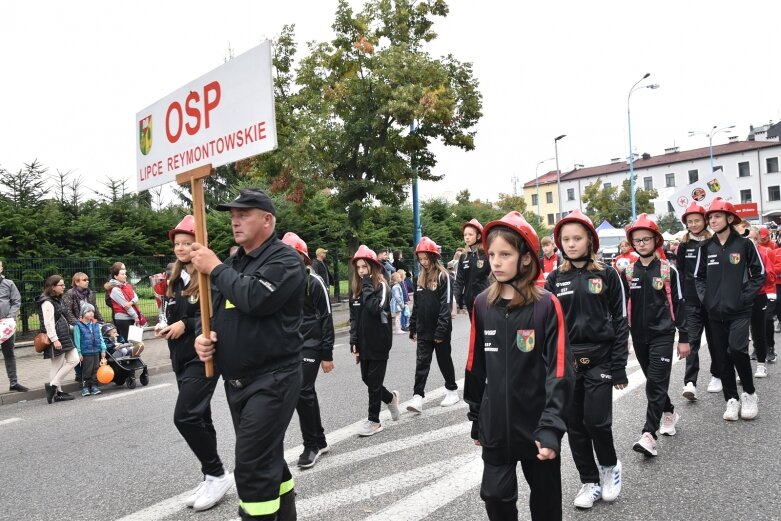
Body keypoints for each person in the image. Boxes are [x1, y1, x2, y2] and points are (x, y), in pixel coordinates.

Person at [191, 188, 306, 520]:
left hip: (273, 378)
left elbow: (255, 297)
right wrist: (206, 337)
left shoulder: (284, 260)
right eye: (232, 216)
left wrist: (215, 268)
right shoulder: (233, 263)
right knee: (267, 457)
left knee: (252, 465)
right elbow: (218, 313)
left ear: (267, 220)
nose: (235, 221)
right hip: (237, 381)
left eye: (244, 215)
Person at [464, 211, 573, 521]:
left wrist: (551, 426)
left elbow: (560, 369)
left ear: (526, 259)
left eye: (505, 254)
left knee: (546, 502)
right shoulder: (482, 304)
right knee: (495, 497)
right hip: (496, 425)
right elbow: (476, 363)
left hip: (538, 425)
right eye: (492, 255)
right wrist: (476, 415)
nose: (496, 262)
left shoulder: (545, 305)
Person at [545, 209, 628, 509]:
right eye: (565, 239)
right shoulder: (555, 278)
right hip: (567, 364)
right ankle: (589, 480)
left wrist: (618, 366)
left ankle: (609, 467)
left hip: (602, 361)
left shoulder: (608, 274)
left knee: (596, 422)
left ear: (590, 240)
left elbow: (620, 321)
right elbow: (548, 326)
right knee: (575, 426)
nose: (571, 243)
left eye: (577, 238)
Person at [158, 215, 232, 512]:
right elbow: (170, 313)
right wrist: (164, 325)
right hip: (180, 356)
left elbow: (215, 317)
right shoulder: (175, 279)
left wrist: (185, 325)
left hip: (202, 356)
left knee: (185, 417)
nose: (181, 248)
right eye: (177, 244)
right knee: (201, 417)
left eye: (187, 243)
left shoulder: (209, 276)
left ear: (198, 245)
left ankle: (217, 473)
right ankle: (209, 475)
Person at [625, 214, 689, 457]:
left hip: (663, 334)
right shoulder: (628, 272)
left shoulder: (667, 270)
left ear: (656, 240)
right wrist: (626, 336)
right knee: (655, 382)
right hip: (639, 336)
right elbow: (624, 307)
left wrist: (684, 338)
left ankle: (648, 434)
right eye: (637, 240)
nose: (641, 244)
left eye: (646, 239)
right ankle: (669, 410)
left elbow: (680, 305)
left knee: (654, 383)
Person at [695, 198, 765, 422]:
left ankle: (749, 393)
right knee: (721, 357)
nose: (712, 220)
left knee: (737, 350)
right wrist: (708, 300)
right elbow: (699, 277)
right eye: (710, 217)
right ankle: (731, 399)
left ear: (730, 218)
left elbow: (759, 274)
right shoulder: (706, 247)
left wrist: (744, 297)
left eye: (716, 216)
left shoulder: (745, 244)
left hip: (740, 311)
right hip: (715, 312)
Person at [281, 232, 336, 469]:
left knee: (302, 390)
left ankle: (311, 444)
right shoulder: (281, 283)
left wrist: (327, 354)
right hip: (289, 347)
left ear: (303, 259)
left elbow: (326, 318)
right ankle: (320, 439)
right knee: (303, 392)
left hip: (312, 345)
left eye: (292, 255)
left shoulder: (314, 282)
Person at [349, 245, 401, 437]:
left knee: (374, 382)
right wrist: (353, 340)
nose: (361, 271)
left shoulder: (382, 286)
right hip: (363, 342)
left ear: (373, 266)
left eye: (365, 266)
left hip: (379, 340)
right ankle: (390, 398)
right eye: (359, 267)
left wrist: (368, 284)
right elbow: (353, 317)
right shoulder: (356, 288)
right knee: (367, 379)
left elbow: (374, 308)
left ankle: (374, 421)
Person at [407, 237, 458, 413]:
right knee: (422, 362)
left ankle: (452, 390)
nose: (423, 262)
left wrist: (441, 330)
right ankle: (417, 397)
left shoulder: (444, 276)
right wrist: (412, 327)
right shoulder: (418, 278)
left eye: (426, 258)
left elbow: (446, 305)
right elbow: (417, 305)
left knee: (444, 360)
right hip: (423, 328)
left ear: (433, 256)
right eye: (420, 258)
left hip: (440, 329)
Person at [676, 203, 719, 399]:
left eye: (697, 220)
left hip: (713, 300)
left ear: (705, 221)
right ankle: (690, 382)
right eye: (690, 221)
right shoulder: (684, 245)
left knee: (715, 340)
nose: (693, 224)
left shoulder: (715, 242)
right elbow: (682, 272)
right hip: (691, 301)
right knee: (691, 342)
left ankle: (717, 375)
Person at [36, 275, 77, 403]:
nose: (64, 287)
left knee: (74, 359)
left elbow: (61, 318)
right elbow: (48, 323)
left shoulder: (57, 299)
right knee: (57, 365)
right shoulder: (47, 302)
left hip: (64, 336)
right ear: (53, 287)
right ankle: (57, 392)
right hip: (57, 338)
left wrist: (72, 328)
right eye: (61, 285)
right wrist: (55, 339)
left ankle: (53, 386)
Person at [63, 271, 105, 383]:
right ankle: (79, 374)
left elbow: (94, 308)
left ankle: (92, 374)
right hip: (76, 326)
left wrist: (101, 321)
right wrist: (78, 323)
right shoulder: (70, 294)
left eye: (87, 280)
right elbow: (68, 311)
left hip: (89, 324)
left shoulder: (90, 293)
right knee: (78, 351)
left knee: (90, 350)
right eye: (84, 280)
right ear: (76, 282)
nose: (87, 282)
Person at [748, 227, 776, 379]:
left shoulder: (765, 252)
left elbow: (771, 277)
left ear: (758, 239)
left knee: (761, 327)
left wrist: (758, 277)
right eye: (747, 238)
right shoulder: (737, 253)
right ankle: (742, 367)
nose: (749, 242)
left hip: (760, 295)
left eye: (753, 238)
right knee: (740, 333)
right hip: (740, 298)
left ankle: (761, 363)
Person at [454, 219, 491, 317]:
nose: (467, 237)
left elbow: (494, 277)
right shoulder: (463, 256)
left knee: (487, 330)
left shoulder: (487, 254)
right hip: (470, 301)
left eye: (470, 235)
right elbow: (459, 281)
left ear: (478, 236)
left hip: (486, 300)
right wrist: (454, 300)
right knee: (475, 331)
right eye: (465, 235)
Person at [0, 261, 28, 392]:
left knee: (9, 353)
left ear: (1, 268)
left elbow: (16, 301)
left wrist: (10, 317)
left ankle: (13, 383)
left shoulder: (9, 284)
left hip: (6, 325)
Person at [72, 303, 107, 396]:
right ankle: (85, 387)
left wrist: (103, 349)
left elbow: (100, 337)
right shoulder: (78, 326)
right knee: (87, 370)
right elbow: (77, 340)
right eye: (88, 311)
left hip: (96, 351)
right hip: (86, 352)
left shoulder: (96, 325)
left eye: (92, 311)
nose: (91, 313)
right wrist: (79, 353)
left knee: (95, 369)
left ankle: (94, 386)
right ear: (83, 313)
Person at [105, 262, 143, 342]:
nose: (125, 275)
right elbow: (125, 305)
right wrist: (135, 316)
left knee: (135, 341)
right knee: (128, 341)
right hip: (123, 317)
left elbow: (135, 297)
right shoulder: (115, 289)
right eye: (122, 272)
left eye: (125, 272)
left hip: (132, 315)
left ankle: (133, 353)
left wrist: (131, 302)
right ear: (115, 276)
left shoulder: (127, 285)